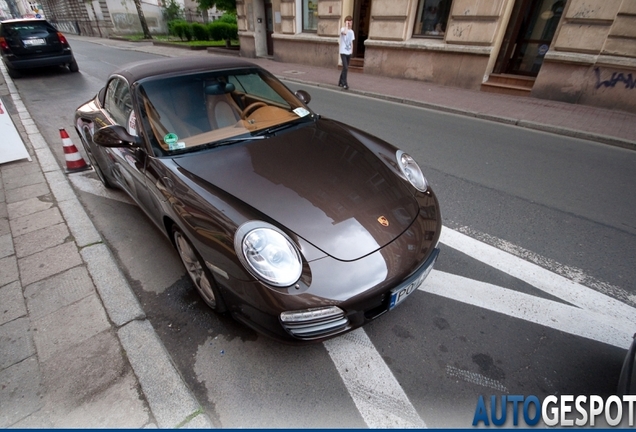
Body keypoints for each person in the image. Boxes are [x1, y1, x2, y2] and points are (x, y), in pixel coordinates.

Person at [338, 15, 355, 90]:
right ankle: (345, 83)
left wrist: (352, 51)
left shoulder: (352, 32)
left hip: (348, 52)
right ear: (346, 22)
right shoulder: (342, 29)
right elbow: (344, 33)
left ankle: (340, 82)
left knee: (345, 68)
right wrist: (346, 25)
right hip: (343, 51)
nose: (350, 23)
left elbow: (351, 42)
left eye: (351, 21)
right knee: (345, 67)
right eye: (349, 21)